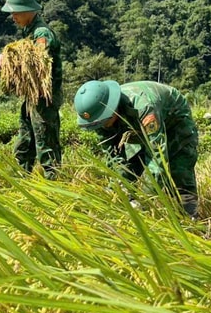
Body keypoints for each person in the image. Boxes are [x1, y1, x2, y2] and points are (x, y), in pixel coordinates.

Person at [73, 80, 199, 217]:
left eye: (104, 121)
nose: (103, 126)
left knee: (180, 169)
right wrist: (117, 191)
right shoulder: (101, 120)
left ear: (112, 108)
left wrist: (143, 200)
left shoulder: (144, 107)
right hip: (134, 127)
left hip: (174, 120)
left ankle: (190, 217)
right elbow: (114, 158)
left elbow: (158, 159)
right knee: (131, 166)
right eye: (98, 124)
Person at [0, 0, 63, 180]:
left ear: (29, 11)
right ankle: (21, 179)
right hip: (32, 98)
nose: (13, 17)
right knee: (26, 139)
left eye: (16, 13)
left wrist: (11, 58)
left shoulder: (41, 33)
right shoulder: (29, 32)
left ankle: (54, 184)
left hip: (44, 99)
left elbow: (37, 58)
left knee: (46, 142)